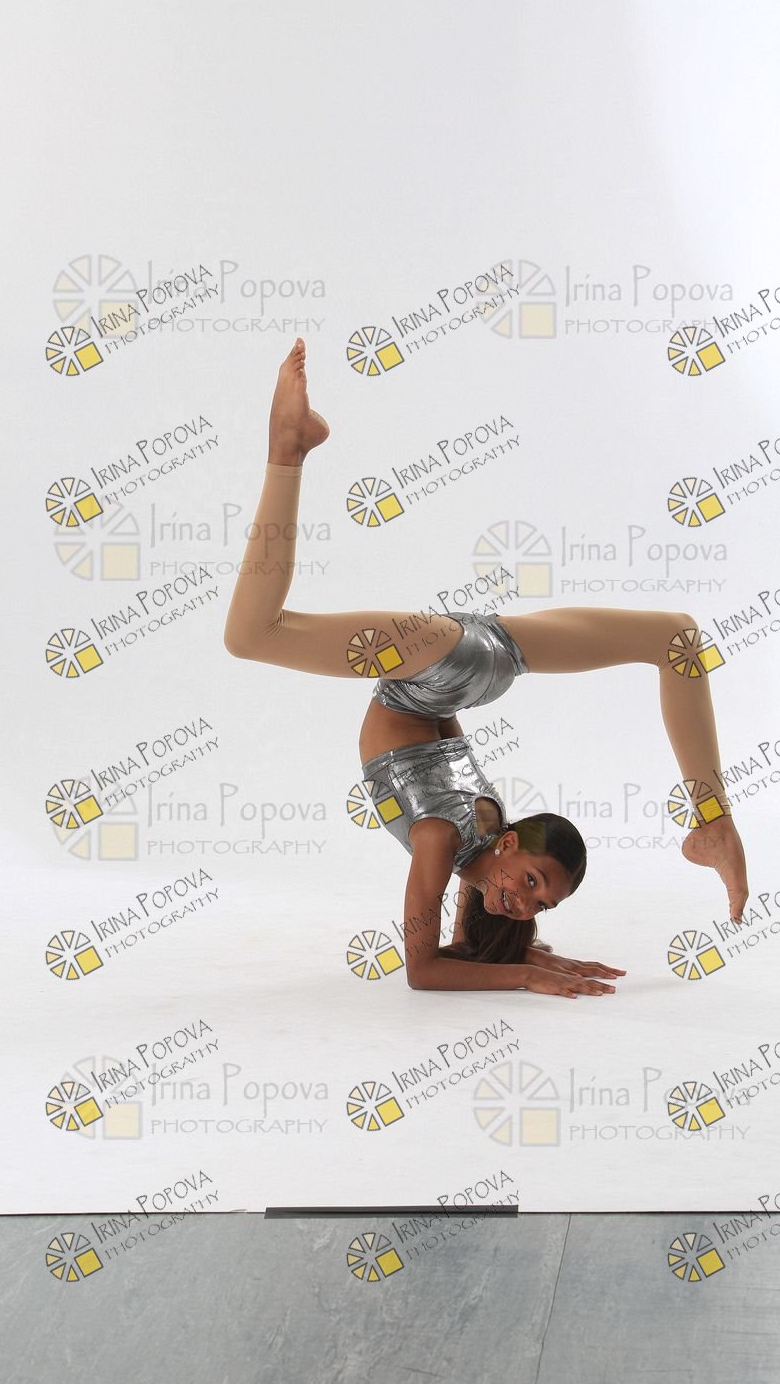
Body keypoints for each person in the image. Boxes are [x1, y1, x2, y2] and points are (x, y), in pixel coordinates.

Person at [224, 339, 749, 999]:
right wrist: (527, 973)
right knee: (252, 635)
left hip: (483, 661)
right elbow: (423, 974)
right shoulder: (445, 839)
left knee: (677, 638)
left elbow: (454, 932)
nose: (525, 905)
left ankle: (714, 821)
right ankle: (288, 448)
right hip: (440, 669)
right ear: (508, 847)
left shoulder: (481, 833)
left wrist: (528, 958)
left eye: (540, 904)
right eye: (532, 882)